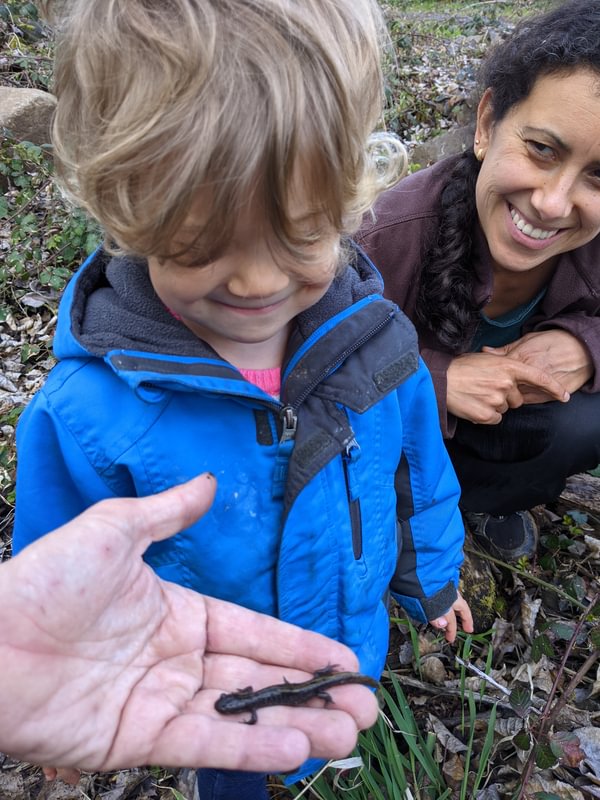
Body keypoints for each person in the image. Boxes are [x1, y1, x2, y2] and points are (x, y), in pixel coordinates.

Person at [13, 0, 473, 797]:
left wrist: (433, 579)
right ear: (123, 209)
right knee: (233, 777)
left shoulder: (381, 344)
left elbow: (417, 476)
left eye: (302, 233)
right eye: (201, 245)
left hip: (348, 635)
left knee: (338, 733)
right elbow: (57, 569)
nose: (259, 282)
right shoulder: (83, 413)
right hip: (205, 685)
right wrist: (43, 678)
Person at [358, 0, 600, 564]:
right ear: (488, 125)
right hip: (383, 438)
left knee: (586, 421)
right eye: (542, 150)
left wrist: (585, 347)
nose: (552, 203)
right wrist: (436, 379)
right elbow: (299, 364)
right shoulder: (387, 235)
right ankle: (387, 515)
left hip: (492, 435)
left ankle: (485, 500)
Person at [1, 473, 379, 775]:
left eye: (230, 706)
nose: (231, 705)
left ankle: (344, 683)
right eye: (230, 705)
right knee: (321, 690)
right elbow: (252, 697)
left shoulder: (248, 703)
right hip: (296, 687)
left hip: (300, 688)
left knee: (326, 689)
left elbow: (251, 702)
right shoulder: (248, 699)